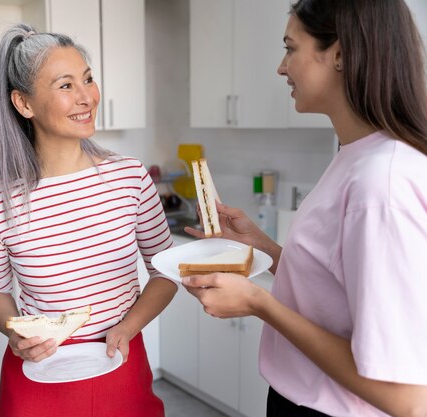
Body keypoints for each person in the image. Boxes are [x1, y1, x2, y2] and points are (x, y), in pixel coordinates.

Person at [183, 0, 427, 416]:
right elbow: (337, 290)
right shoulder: (355, 157)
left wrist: (260, 304)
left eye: (290, 48)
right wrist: (262, 248)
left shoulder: (380, 184)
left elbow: (406, 398)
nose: (281, 67)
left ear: (340, 54)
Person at [0, 23, 177, 417]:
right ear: (24, 103)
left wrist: (129, 326)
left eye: (88, 79)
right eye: (65, 86)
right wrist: (16, 331)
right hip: (39, 373)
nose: (87, 97)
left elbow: (165, 273)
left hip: (120, 359)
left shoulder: (129, 178)